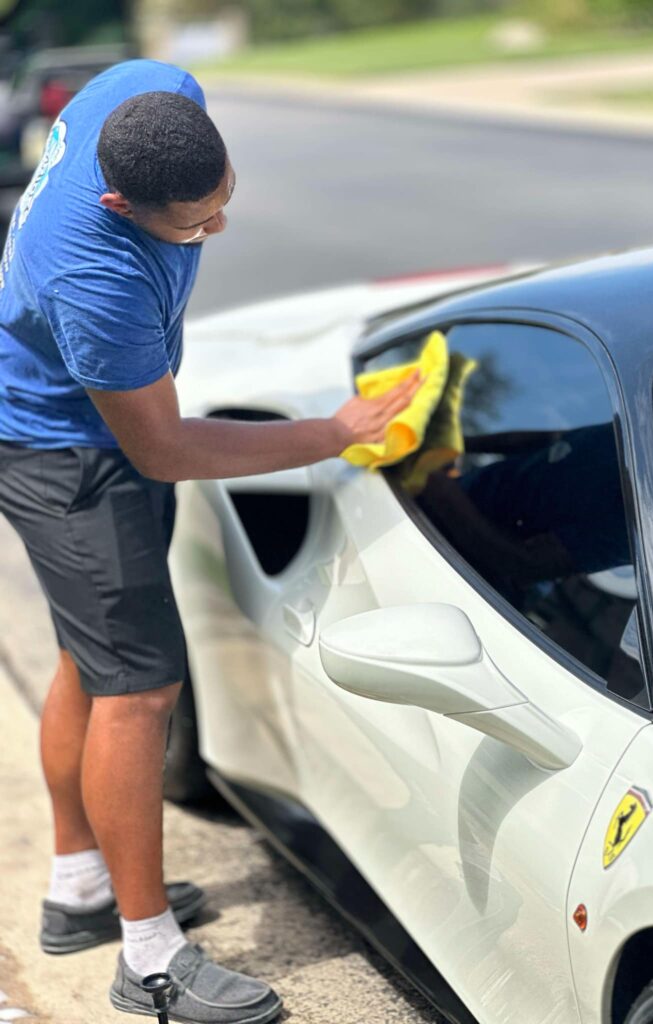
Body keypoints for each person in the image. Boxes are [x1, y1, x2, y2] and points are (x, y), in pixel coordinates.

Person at [0, 59, 419, 1022]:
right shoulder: (94, 282)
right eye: (192, 224)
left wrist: (192, 213)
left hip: (81, 427)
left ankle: (82, 892)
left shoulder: (152, 90)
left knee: (92, 655)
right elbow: (165, 448)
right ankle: (147, 960)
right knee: (140, 690)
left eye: (222, 200)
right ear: (118, 200)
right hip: (67, 454)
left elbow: (168, 115)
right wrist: (333, 432)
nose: (215, 230)